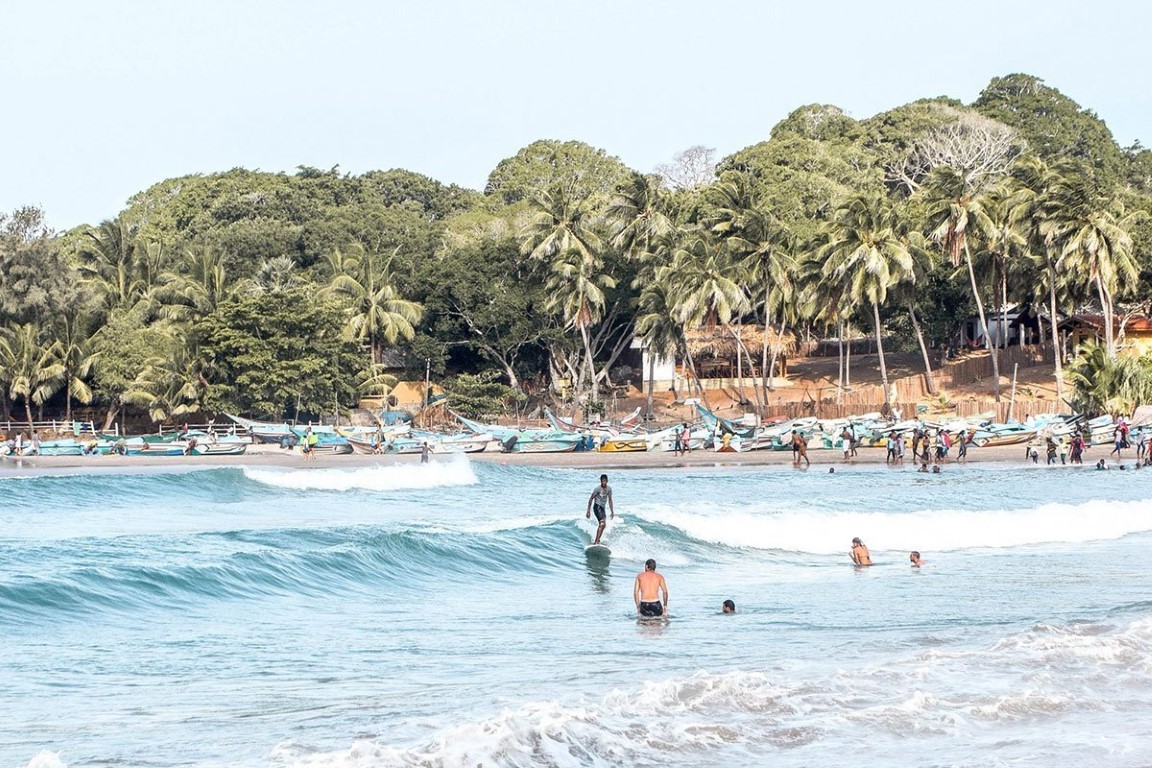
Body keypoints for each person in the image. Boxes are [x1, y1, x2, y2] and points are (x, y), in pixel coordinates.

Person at [586, 473, 615, 545]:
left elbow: (610, 500)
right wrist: (588, 511)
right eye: (602, 481)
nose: (603, 482)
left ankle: (598, 540)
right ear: (600, 481)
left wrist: (612, 511)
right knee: (602, 524)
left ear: (607, 481)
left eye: (604, 481)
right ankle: (596, 542)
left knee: (604, 525)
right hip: (597, 507)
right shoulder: (597, 489)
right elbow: (591, 499)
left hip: (602, 508)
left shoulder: (609, 489)